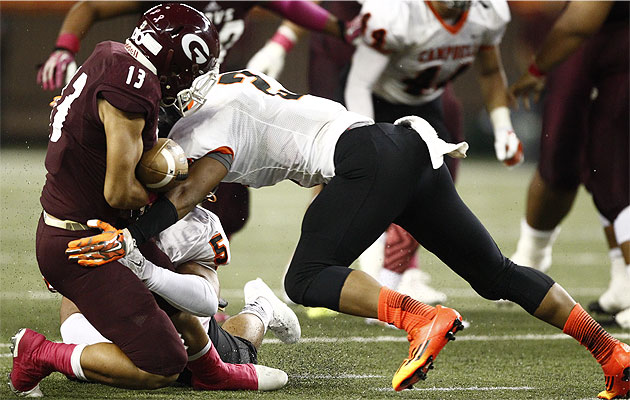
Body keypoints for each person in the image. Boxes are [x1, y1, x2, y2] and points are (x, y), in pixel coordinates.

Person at [67, 68, 630, 398]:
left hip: (366, 160)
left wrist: (127, 232)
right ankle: (614, 358)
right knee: (495, 274)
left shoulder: (209, 119)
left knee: (306, 278)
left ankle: (420, 317)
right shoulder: (233, 86)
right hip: (407, 148)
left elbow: (187, 191)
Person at [9, 5, 285, 397]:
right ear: (175, 59)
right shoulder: (133, 85)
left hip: (94, 230)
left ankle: (212, 370)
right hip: (86, 243)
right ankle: (41, 354)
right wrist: (170, 191)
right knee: (163, 365)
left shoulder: (110, 54)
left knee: (186, 303)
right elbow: (118, 192)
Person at [59, 205, 301, 381]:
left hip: (180, 321)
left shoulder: (190, 227)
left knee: (237, 356)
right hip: (118, 315)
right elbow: (71, 298)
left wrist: (148, 272)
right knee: (88, 361)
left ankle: (261, 307)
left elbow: (203, 304)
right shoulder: (86, 210)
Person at [508, 1, 630, 330]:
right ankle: (619, 276)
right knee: (572, 158)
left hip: (600, 36)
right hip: (594, 39)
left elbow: (581, 20)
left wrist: (536, 70)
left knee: (615, 165)